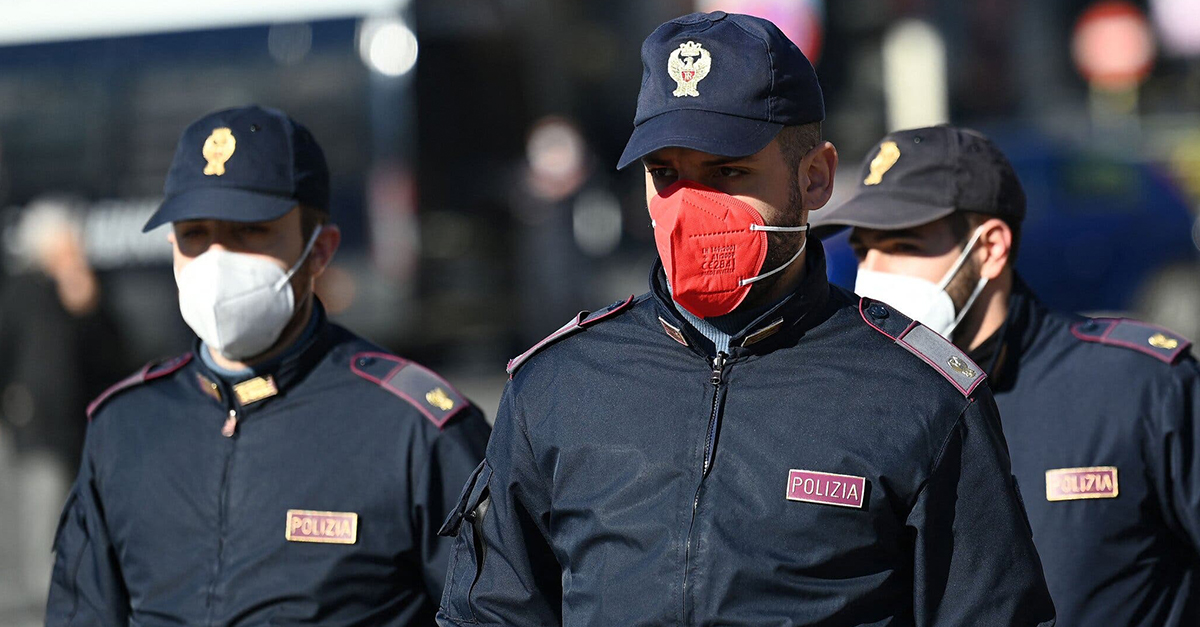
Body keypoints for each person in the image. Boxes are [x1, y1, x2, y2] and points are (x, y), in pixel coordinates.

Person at [436, 13, 1054, 626]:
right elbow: (491, 613)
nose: (689, 208)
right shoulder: (558, 383)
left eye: (727, 171)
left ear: (815, 178)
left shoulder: (920, 395)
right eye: (665, 174)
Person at [46, 105, 491, 625]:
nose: (216, 260)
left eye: (250, 231)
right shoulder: (125, 426)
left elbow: (496, 608)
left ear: (319, 250)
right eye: (194, 233)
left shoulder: (413, 429)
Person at [811, 125, 1200, 627]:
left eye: (903, 244)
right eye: (864, 250)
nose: (873, 274)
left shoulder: (1139, 386)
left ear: (990, 247)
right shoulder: (865, 401)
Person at [0, 197, 125, 612]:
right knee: (45, 505)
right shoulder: (22, 291)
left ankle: (78, 590)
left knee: (83, 509)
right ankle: (47, 599)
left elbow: (112, 354)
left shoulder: (86, 288)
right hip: (39, 424)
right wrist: (16, 403)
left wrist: (88, 307)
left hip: (84, 424)